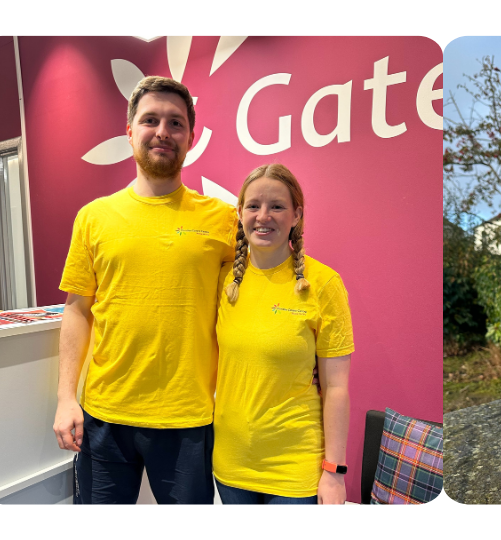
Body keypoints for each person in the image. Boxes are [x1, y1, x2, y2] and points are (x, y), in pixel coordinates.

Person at [53, 76, 237, 504]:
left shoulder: (224, 219)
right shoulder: (94, 217)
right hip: (105, 415)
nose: (162, 131)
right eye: (150, 119)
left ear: (191, 136)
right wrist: (66, 399)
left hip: (188, 418)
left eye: (175, 123)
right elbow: (77, 310)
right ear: (129, 130)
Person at [213, 163, 354, 505]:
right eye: (253, 206)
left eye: (276, 206)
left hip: (295, 467)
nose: (263, 216)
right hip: (231, 464)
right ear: (240, 213)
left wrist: (333, 473)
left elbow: (336, 388)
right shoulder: (221, 280)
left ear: (296, 216)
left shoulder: (324, 284)